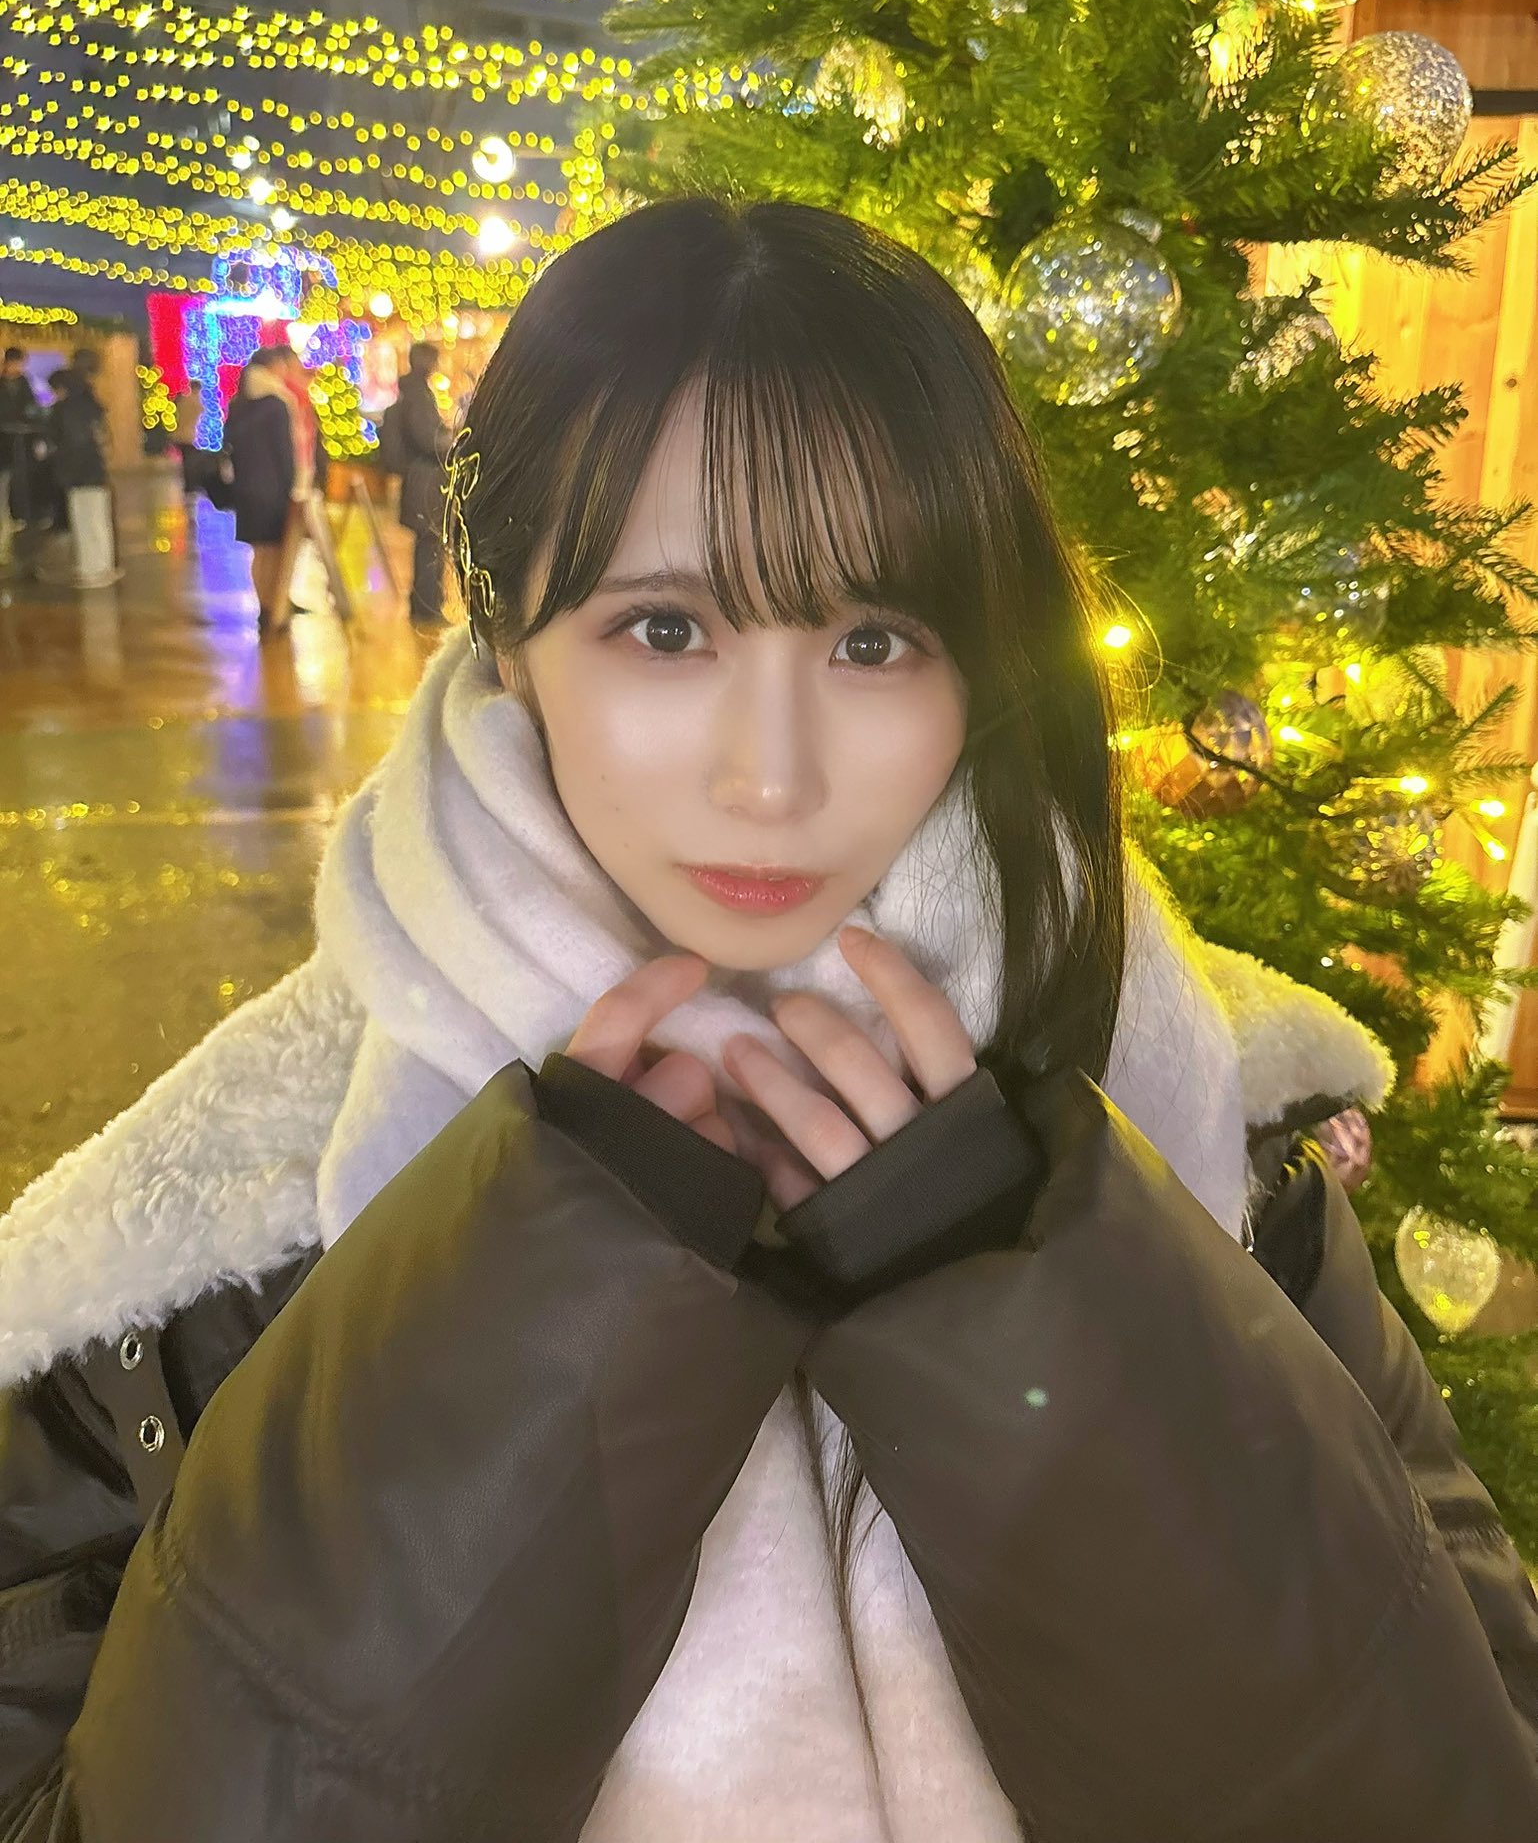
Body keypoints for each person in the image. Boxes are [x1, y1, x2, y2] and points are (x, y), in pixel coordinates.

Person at [2, 199, 1536, 1840]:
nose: (772, 777)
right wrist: (501, 1356)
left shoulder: (1221, 1130)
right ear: (508, 631)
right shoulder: (198, 1240)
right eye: (665, 629)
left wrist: (1043, 1323)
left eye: (872, 639)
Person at [222, 348, 309, 634]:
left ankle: (264, 607)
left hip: (246, 487)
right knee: (274, 551)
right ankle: (274, 607)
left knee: (258, 551)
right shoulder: (278, 403)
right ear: (271, 368)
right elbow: (284, 452)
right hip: (273, 489)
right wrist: (293, 484)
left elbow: (229, 445)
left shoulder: (239, 403)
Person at [380, 338, 451, 625]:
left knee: (428, 543)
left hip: (418, 478)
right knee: (430, 543)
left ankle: (424, 604)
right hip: (426, 480)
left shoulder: (410, 392)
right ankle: (427, 607)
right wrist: (450, 440)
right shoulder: (419, 396)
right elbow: (426, 438)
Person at [46, 361, 118, 588]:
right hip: (95, 471)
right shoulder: (90, 405)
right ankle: (104, 566)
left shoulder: (66, 410)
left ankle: (91, 569)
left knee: (85, 521)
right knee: (98, 520)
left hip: (78, 474)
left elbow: (67, 443)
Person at [0, 345, 44, 535]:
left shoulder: (24, 382)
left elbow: (31, 405)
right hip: (5, 439)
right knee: (8, 479)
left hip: (23, 437)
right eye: (18, 363)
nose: (20, 367)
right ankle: (12, 515)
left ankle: (25, 514)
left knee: (25, 476)